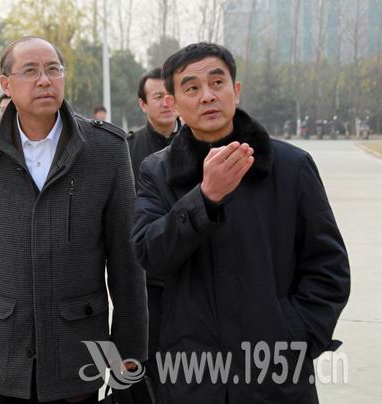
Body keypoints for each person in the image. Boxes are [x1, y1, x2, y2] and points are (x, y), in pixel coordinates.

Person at [0, 36, 147, 404]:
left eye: (53, 69)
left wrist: (127, 354)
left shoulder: (106, 150)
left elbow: (127, 264)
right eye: (30, 71)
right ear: (6, 84)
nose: (44, 80)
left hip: (76, 357)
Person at [132, 43, 350, 404]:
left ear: (236, 90)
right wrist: (205, 199)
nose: (207, 96)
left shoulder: (290, 166)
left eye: (217, 82)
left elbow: (328, 267)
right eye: (191, 87)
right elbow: (149, 254)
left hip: (276, 373)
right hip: (192, 376)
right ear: (174, 103)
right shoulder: (156, 172)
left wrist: (294, 335)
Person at [126, 66, 182, 389]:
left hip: (189, 276)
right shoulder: (126, 149)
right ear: (143, 104)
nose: (166, 102)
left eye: (169, 95)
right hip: (144, 280)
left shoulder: (197, 144)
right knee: (147, 367)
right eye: (157, 96)